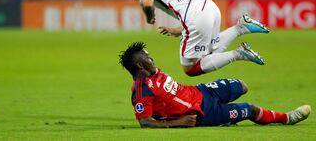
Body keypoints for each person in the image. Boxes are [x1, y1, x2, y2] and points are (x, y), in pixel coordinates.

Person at [135, 0, 270, 77]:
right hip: (210, 7)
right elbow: (188, 4)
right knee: (210, 53)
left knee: (190, 68)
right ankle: (241, 28)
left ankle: (239, 53)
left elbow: (146, 2)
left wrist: (149, 17)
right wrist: (179, 30)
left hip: (196, 15)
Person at [118, 42, 311, 128]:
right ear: (140, 65)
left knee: (241, 86)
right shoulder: (141, 91)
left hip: (201, 91)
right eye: (147, 57)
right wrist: (178, 123)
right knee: (249, 109)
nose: (151, 58)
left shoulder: (155, 72)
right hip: (203, 113)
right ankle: (287, 118)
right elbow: (145, 122)